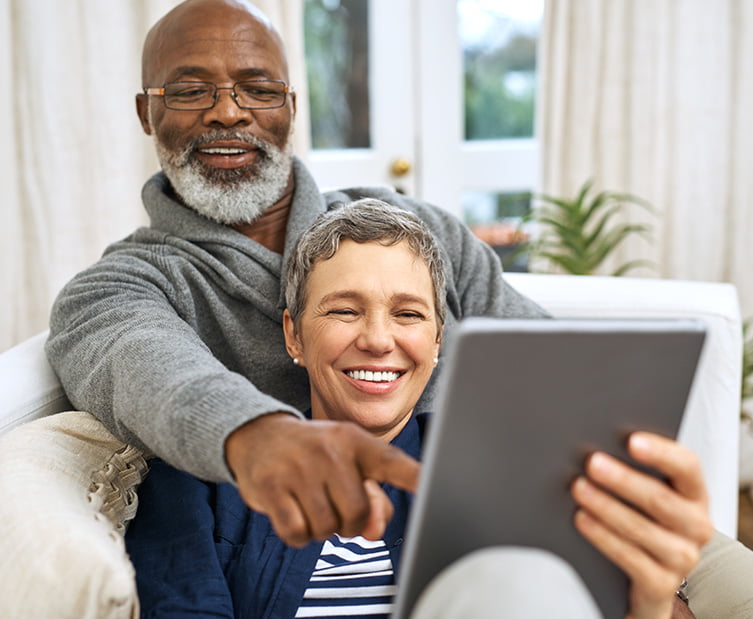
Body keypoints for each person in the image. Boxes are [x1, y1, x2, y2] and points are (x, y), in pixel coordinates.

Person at [44, 0, 545, 551]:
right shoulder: (116, 288)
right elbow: (150, 370)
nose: (228, 113)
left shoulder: (422, 229)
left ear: (290, 107)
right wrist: (258, 435)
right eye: (190, 91)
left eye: (258, 89)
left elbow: (547, 363)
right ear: (146, 113)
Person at [124, 199, 710, 618]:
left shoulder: (500, 473)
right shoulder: (199, 476)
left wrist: (651, 606)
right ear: (294, 336)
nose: (379, 340)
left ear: (437, 341)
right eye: (344, 311)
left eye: (407, 314)